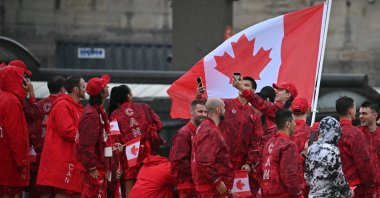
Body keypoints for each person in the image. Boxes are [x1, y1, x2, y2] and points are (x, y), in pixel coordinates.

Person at [197, 76, 263, 196]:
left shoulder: (254, 114)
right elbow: (208, 107)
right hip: (220, 164)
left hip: (240, 168)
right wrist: (199, 97)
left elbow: (256, 141)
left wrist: (249, 163)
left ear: (252, 91)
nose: (242, 87)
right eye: (241, 83)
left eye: (246, 85)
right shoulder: (225, 105)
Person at [110, 85, 163, 197]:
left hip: (128, 158)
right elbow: (159, 124)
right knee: (148, 187)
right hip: (147, 155)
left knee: (130, 190)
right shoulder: (144, 107)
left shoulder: (114, 114)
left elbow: (115, 140)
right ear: (128, 95)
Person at [37, 76, 86, 197]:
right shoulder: (62, 105)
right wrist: (88, 139)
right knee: (63, 192)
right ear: (75, 89)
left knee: (73, 192)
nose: (86, 90)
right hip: (62, 159)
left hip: (71, 158)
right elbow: (67, 130)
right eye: (83, 87)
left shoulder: (75, 106)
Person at [26, 76, 66, 197]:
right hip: (58, 156)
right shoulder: (65, 106)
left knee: (41, 191)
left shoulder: (38, 105)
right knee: (59, 191)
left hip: (39, 156)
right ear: (63, 89)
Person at [75, 75, 111, 198]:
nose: (108, 87)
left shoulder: (99, 110)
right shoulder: (91, 115)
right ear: (101, 93)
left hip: (100, 166)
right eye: (105, 86)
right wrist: (92, 168)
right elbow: (86, 144)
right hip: (94, 169)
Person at [0, 63, 31, 197]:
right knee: (11, 193)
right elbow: (15, 134)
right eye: (23, 78)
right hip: (10, 160)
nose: (25, 81)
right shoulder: (12, 101)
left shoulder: (3, 96)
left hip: (3, 155)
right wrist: (22, 160)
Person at [191, 98, 233, 197]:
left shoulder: (206, 127)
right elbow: (203, 161)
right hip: (211, 189)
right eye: (224, 108)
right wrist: (217, 182)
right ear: (218, 110)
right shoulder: (210, 130)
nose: (225, 110)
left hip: (210, 187)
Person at [336, 96, 376, 197]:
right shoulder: (355, 133)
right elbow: (363, 163)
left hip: (334, 185)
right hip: (354, 187)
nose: (357, 112)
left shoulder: (330, 131)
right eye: (355, 108)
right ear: (350, 111)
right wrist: (371, 187)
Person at [305, 116, 353, 198]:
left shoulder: (311, 148)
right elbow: (338, 177)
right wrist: (348, 193)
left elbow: (307, 176)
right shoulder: (332, 150)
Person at [260, 109, 303, 197]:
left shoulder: (269, 143)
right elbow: (289, 174)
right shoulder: (288, 145)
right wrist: (298, 194)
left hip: (267, 192)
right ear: (288, 124)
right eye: (294, 121)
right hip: (282, 194)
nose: (295, 124)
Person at [170, 99, 207, 198]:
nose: (203, 114)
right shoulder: (183, 133)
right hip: (188, 186)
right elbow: (178, 162)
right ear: (191, 112)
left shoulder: (203, 132)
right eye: (200, 111)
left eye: (205, 112)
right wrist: (197, 175)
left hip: (200, 185)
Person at [290, 97, 316, 197]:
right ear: (308, 111)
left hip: (284, 182)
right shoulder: (312, 134)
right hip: (304, 185)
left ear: (291, 111)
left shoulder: (282, 131)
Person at [358, 101, 380, 196]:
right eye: (360, 113)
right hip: (360, 188)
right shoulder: (355, 134)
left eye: (364, 113)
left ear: (374, 115)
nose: (360, 116)